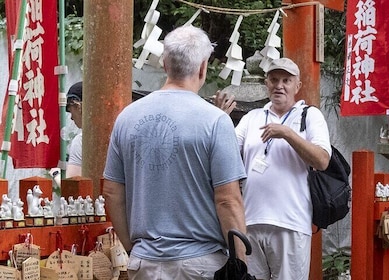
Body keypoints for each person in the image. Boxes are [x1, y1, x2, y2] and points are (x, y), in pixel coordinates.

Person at [102, 25, 248, 280]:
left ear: (164, 63)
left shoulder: (127, 117)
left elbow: (112, 192)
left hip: (143, 262)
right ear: (203, 67)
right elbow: (227, 200)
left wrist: (131, 248)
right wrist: (241, 265)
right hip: (199, 263)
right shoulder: (215, 121)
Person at [216, 57, 332, 280]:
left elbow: (322, 160)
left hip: (290, 221)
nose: (279, 85)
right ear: (266, 84)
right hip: (250, 221)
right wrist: (219, 120)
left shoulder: (309, 115)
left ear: (297, 86)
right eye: (274, 79)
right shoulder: (252, 117)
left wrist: (287, 133)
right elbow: (224, 154)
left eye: (286, 80)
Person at [65, 81, 83, 178]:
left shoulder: (81, 141)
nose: (71, 118)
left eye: (71, 110)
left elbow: (73, 184)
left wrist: (56, 175)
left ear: (78, 106)